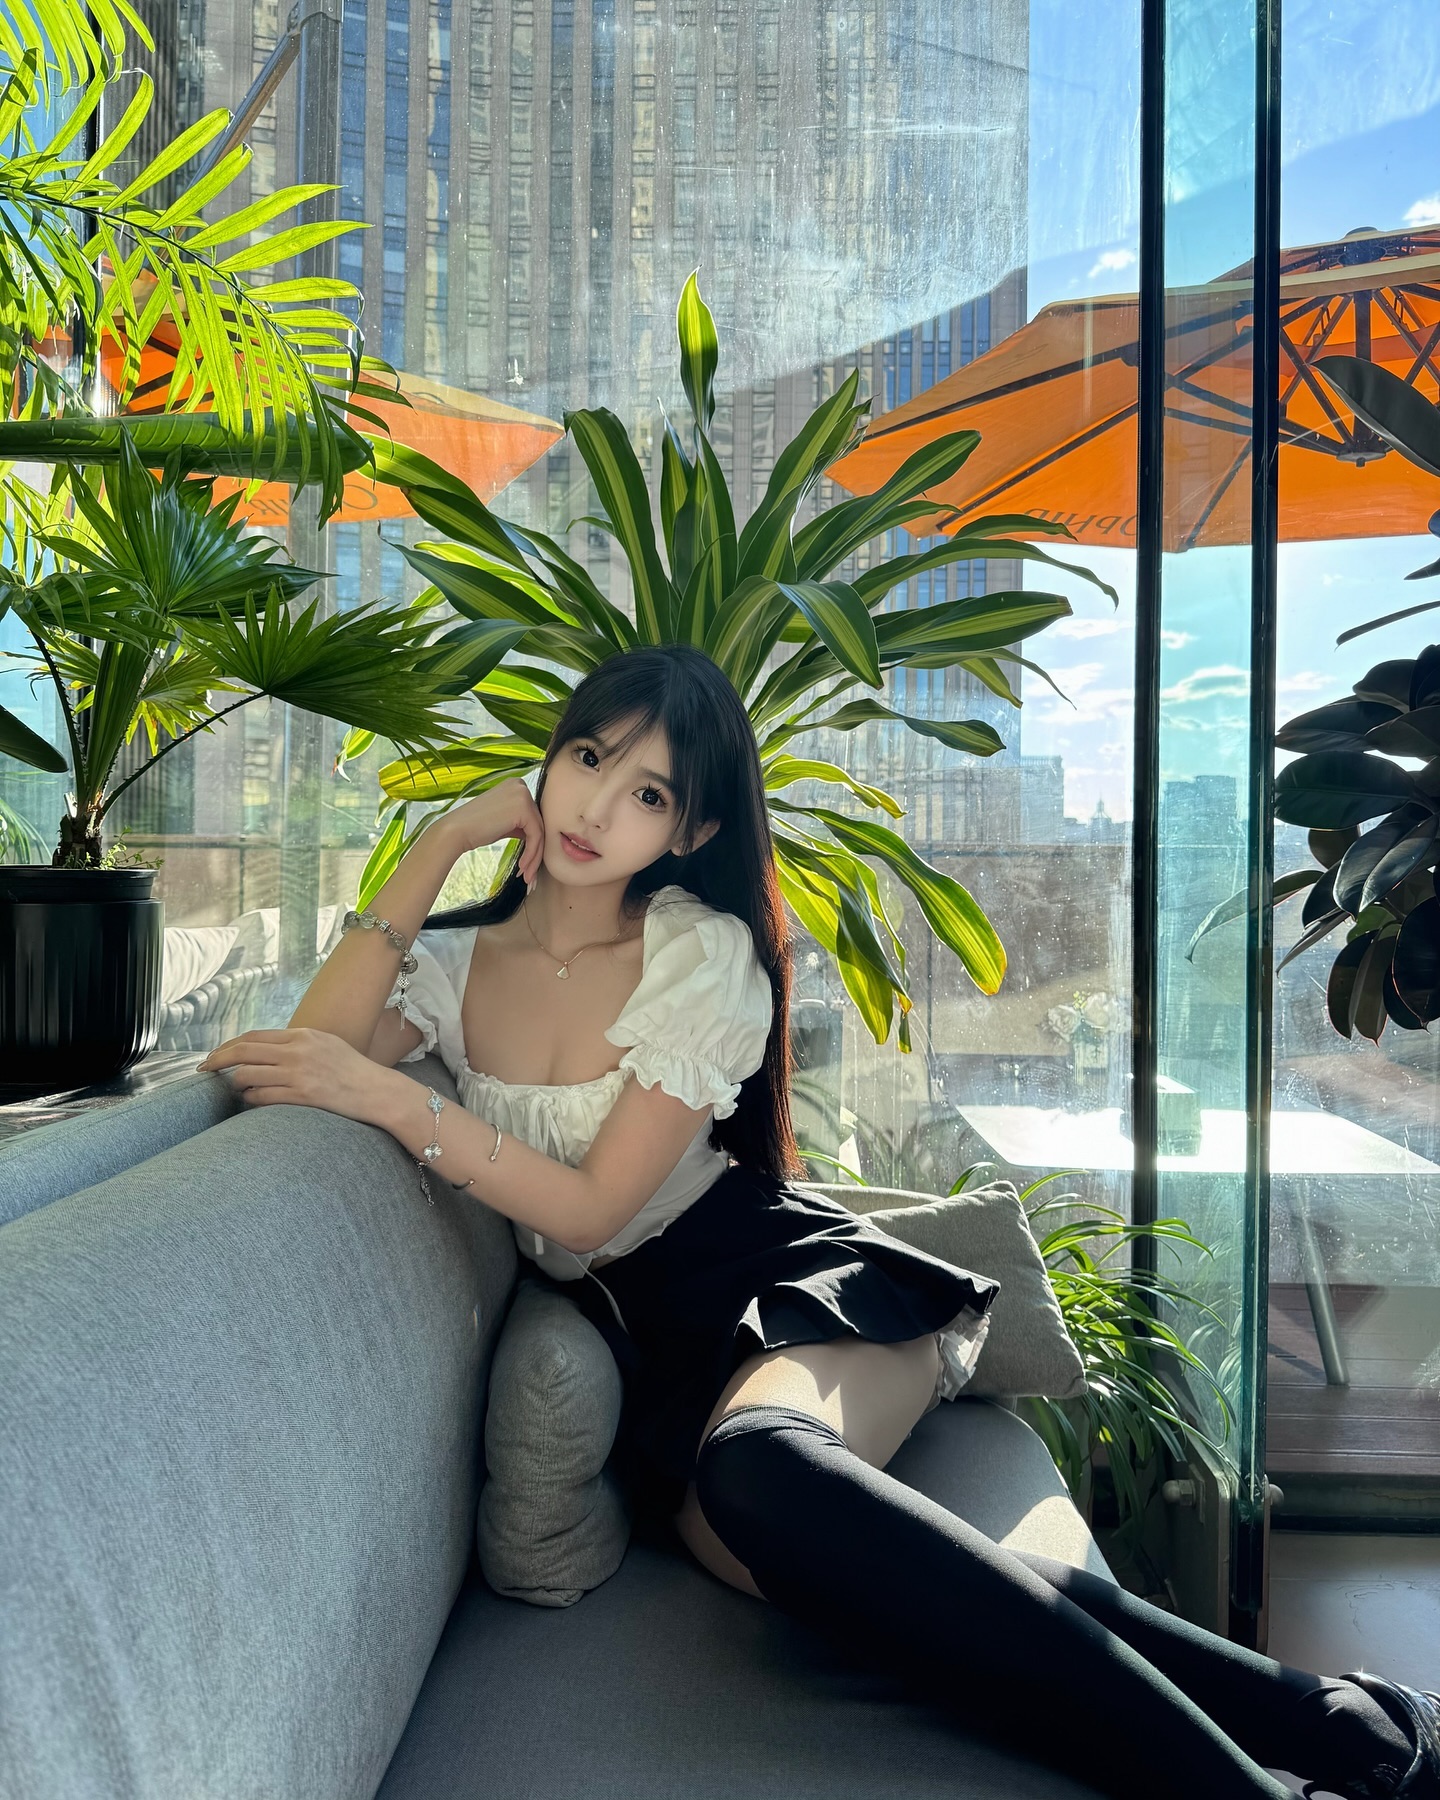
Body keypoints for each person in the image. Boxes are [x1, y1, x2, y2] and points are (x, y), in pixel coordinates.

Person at [198, 643, 1437, 1800]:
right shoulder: (459, 968)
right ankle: (1351, 1727)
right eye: (587, 758)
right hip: (651, 1347)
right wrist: (439, 842)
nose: (596, 807)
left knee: (763, 1471)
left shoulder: (699, 954)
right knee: (854, 1575)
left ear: (694, 832)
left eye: (648, 793)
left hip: (782, 1285)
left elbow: (590, 1206)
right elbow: (308, 1055)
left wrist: (389, 1099)